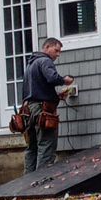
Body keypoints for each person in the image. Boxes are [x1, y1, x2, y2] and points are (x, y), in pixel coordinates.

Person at [22, 37, 74, 173]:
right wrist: (64, 80)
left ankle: (27, 182)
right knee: (46, 145)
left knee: (32, 147)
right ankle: (41, 181)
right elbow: (51, 78)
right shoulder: (45, 61)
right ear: (46, 47)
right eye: (56, 50)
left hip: (28, 110)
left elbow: (36, 90)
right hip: (42, 110)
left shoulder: (30, 64)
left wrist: (56, 97)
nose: (58, 54)